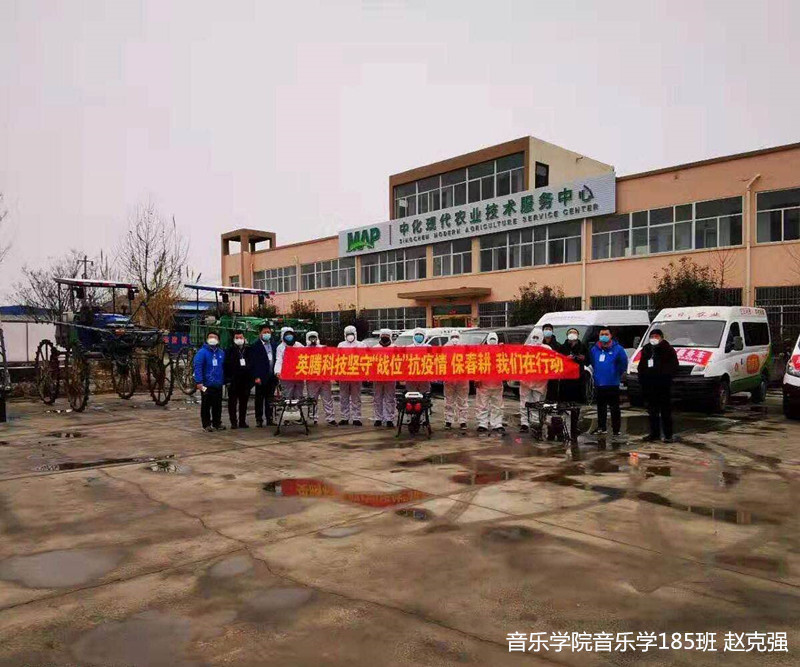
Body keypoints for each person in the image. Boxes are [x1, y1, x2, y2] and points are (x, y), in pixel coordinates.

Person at [637, 328, 679, 443]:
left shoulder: (668, 349)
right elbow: (641, 366)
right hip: (649, 386)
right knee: (652, 412)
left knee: (666, 411)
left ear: (661, 338)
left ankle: (668, 435)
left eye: (656, 337)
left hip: (663, 386)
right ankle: (654, 434)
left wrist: (665, 378)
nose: (654, 339)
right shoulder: (646, 349)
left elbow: (674, 366)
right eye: (652, 337)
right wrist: (642, 380)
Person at [589, 326, 628, 438]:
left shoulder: (618, 349)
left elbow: (623, 364)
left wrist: (616, 374)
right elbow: (593, 363)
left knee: (614, 408)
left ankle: (616, 430)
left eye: (606, 334)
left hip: (612, 383)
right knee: (601, 407)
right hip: (599, 383)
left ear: (611, 336)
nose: (604, 336)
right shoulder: (594, 349)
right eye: (602, 334)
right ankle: (602, 427)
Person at [556, 326, 591, 439]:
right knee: (564, 404)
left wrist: (582, 358)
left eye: (574, 332)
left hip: (578, 379)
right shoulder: (562, 347)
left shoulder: (582, 347)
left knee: (576, 404)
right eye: (570, 332)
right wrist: (566, 358)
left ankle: (574, 425)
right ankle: (563, 425)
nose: (572, 334)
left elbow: (588, 360)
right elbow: (558, 360)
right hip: (565, 379)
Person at [193, 330, 226, 432]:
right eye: (210, 337)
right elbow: (198, 367)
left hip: (218, 383)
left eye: (215, 337)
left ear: (218, 340)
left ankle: (217, 423)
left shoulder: (221, 353)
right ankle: (206, 424)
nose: (212, 339)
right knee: (206, 405)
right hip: (206, 384)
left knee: (217, 405)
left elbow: (224, 367)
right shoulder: (202, 352)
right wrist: (199, 381)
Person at [519, 327, 550, 433]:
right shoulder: (525, 349)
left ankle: (535, 422)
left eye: (538, 337)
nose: (535, 339)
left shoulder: (547, 349)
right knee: (524, 402)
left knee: (537, 402)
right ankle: (524, 423)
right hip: (526, 381)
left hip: (540, 382)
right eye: (534, 337)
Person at [305, 330, 337, 426]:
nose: (313, 340)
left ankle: (330, 418)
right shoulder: (304, 350)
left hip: (324, 379)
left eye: (314, 337)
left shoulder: (323, 348)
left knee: (327, 399)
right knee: (312, 399)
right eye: (311, 338)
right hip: (311, 379)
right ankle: (312, 418)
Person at [475, 332, 504, 434]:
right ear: (487, 340)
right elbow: (477, 365)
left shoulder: (501, 352)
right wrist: (477, 378)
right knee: (482, 405)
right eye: (491, 339)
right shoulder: (482, 352)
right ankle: (482, 423)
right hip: (484, 384)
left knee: (497, 405)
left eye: (494, 339)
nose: (492, 341)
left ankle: (497, 423)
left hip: (497, 383)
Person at [249, 322, 277, 427]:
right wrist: (256, 376)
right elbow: (253, 363)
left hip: (271, 377)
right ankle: (259, 419)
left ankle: (269, 418)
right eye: (264, 332)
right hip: (260, 377)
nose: (266, 334)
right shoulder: (255, 346)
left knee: (270, 399)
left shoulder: (274, 345)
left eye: (268, 332)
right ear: (260, 333)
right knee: (259, 399)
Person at [224, 329, 252, 429]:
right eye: (237, 338)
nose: (239, 339)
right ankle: (233, 422)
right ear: (233, 339)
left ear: (244, 338)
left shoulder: (248, 350)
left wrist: (250, 380)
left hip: (245, 381)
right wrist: (227, 380)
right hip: (233, 381)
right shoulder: (229, 351)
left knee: (243, 402)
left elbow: (252, 365)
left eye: (241, 337)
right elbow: (226, 366)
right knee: (232, 402)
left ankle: (242, 421)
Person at [337, 325, 364, 426]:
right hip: (344, 375)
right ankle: (344, 417)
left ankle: (356, 418)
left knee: (356, 398)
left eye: (351, 334)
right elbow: (337, 359)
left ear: (355, 334)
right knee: (343, 397)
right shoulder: (341, 345)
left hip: (356, 376)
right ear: (345, 335)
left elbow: (365, 359)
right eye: (348, 334)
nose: (350, 336)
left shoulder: (361, 345)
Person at [443, 330, 468, 430]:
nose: (454, 339)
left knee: (462, 400)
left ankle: (463, 421)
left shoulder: (465, 348)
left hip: (462, 378)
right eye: (453, 337)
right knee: (449, 400)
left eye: (456, 337)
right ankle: (448, 421)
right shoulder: (445, 348)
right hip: (449, 378)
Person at [372, 328, 396, 428]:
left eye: (387, 336)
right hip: (378, 378)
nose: (385, 337)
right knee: (377, 398)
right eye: (383, 336)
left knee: (390, 399)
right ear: (380, 336)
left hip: (390, 378)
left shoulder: (395, 348)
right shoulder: (375, 348)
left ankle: (389, 419)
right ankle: (378, 418)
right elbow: (371, 362)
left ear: (390, 337)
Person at [274, 326, 304, 399]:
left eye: (290, 334)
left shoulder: (299, 345)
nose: (289, 337)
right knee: (287, 396)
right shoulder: (280, 347)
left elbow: (307, 355)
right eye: (287, 335)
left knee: (299, 396)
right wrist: (277, 371)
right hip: (286, 377)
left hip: (298, 375)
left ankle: (298, 406)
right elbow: (279, 360)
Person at [405, 327, 431, 394]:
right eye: (417, 334)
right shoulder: (408, 348)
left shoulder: (428, 347)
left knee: (424, 394)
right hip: (411, 375)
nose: (418, 336)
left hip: (424, 375)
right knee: (412, 394)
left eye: (420, 334)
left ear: (424, 336)